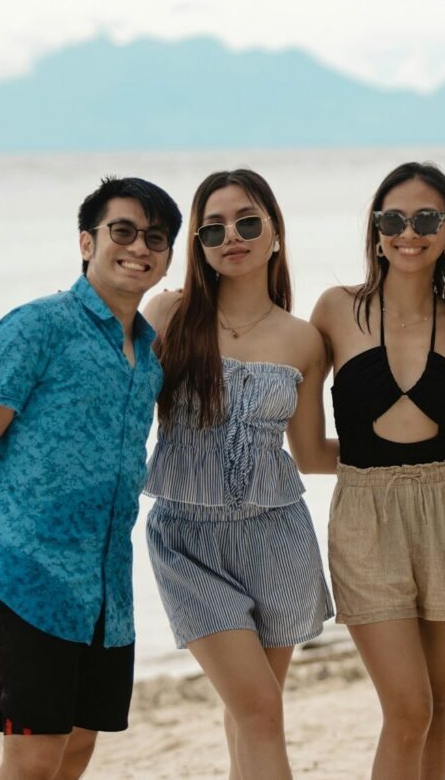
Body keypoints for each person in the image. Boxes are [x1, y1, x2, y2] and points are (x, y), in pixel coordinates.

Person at [0, 176, 182, 778]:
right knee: (31, 760)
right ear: (86, 242)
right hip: (30, 576)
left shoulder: (148, 358)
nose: (139, 247)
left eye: (155, 237)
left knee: (78, 746)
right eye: (121, 231)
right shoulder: (35, 327)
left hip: (106, 588)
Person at [310, 162, 445, 779]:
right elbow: (301, 449)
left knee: (441, 706)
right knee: (408, 709)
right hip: (365, 519)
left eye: (426, 218)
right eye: (393, 219)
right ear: (376, 232)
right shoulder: (333, 310)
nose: (410, 231)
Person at [142, 169, 334, 779]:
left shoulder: (304, 340)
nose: (233, 236)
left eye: (248, 222)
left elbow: (310, 455)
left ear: (275, 232)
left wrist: (413, 450)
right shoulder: (168, 314)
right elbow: (112, 400)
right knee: (258, 710)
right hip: (186, 539)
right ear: (197, 244)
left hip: (276, 538)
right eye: (214, 227)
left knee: (253, 713)